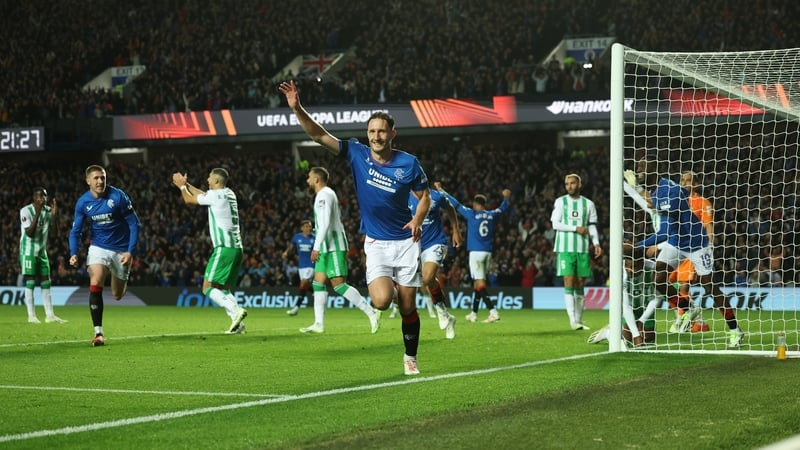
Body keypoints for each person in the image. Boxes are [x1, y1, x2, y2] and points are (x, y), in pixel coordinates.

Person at [279, 80, 430, 375]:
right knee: (382, 301)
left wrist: (418, 219)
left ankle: (410, 357)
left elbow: (424, 198)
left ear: (392, 134)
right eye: (372, 131)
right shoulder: (357, 153)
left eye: (381, 131)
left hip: (406, 241)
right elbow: (319, 134)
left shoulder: (409, 163)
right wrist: (297, 108)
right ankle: (390, 297)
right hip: (376, 242)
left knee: (409, 308)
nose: (376, 136)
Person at [634, 153, 744, 348]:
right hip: (676, 242)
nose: (638, 170)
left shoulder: (670, 191)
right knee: (659, 279)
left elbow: (664, 231)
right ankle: (688, 308)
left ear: (655, 169)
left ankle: (735, 330)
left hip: (696, 244)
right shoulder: (657, 191)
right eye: (638, 166)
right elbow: (669, 227)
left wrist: (639, 246)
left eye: (643, 166)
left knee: (711, 288)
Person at [298, 166, 381, 334]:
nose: (307, 180)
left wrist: (315, 247)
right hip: (325, 245)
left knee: (338, 285)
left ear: (316, 179)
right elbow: (323, 223)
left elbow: (326, 223)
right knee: (317, 283)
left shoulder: (325, 195)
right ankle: (319, 324)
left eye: (309, 177)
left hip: (333, 245)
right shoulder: (324, 195)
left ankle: (371, 312)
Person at [69, 165, 141, 346]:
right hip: (98, 247)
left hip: (121, 250)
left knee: (117, 294)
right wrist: (74, 253)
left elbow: (134, 224)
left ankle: (118, 276)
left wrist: (130, 251)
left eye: (103, 177)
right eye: (96, 178)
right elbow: (75, 231)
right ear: (88, 181)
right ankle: (98, 333)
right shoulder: (83, 202)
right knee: (96, 280)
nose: (100, 181)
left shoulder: (118, 196)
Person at [172, 168, 248, 335]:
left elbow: (189, 200)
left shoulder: (215, 196)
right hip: (237, 249)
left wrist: (181, 187)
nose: (207, 179)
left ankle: (236, 311)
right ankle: (238, 325)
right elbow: (204, 195)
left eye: (209, 177)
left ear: (216, 181)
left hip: (224, 248)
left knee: (207, 287)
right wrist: (187, 184)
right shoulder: (229, 193)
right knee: (223, 288)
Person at [437, 183, 511, 324]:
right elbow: (502, 209)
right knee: (478, 283)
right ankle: (473, 313)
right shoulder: (491, 214)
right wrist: (506, 198)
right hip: (488, 253)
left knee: (480, 283)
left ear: (476, 204)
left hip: (476, 253)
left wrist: (441, 191)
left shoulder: (472, 214)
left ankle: (493, 312)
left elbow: (456, 205)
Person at [405, 185, 461, 339]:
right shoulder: (404, 196)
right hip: (414, 245)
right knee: (420, 282)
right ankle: (447, 316)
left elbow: (450, 209)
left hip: (435, 242)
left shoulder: (436, 197)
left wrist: (456, 230)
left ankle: (441, 312)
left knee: (427, 277)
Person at [550, 173, 602, 330]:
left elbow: (592, 225)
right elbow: (555, 224)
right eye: (567, 184)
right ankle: (572, 320)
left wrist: (596, 243)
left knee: (580, 283)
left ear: (579, 185)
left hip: (582, 248)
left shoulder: (589, 204)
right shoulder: (561, 202)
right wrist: (575, 228)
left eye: (572, 183)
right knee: (569, 281)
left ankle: (579, 320)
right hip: (565, 248)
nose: (569, 186)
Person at [19, 187, 67, 324]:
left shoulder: (47, 211)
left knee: (46, 282)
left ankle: (50, 315)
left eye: (44, 196)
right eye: (39, 196)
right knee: (31, 282)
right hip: (28, 251)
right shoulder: (25, 211)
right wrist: (38, 212)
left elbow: (54, 234)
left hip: (41, 252)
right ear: (34, 197)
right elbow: (29, 232)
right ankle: (31, 315)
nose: (42, 198)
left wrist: (54, 216)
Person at [283, 219, 315, 316]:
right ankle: (316, 293)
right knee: (305, 285)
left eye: (309, 226)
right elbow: (292, 246)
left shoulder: (314, 238)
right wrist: (286, 252)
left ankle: (296, 307)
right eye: (306, 226)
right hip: (301, 266)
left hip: (311, 265)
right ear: (302, 228)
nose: (308, 228)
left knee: (304, 282)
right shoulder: (297, 237)